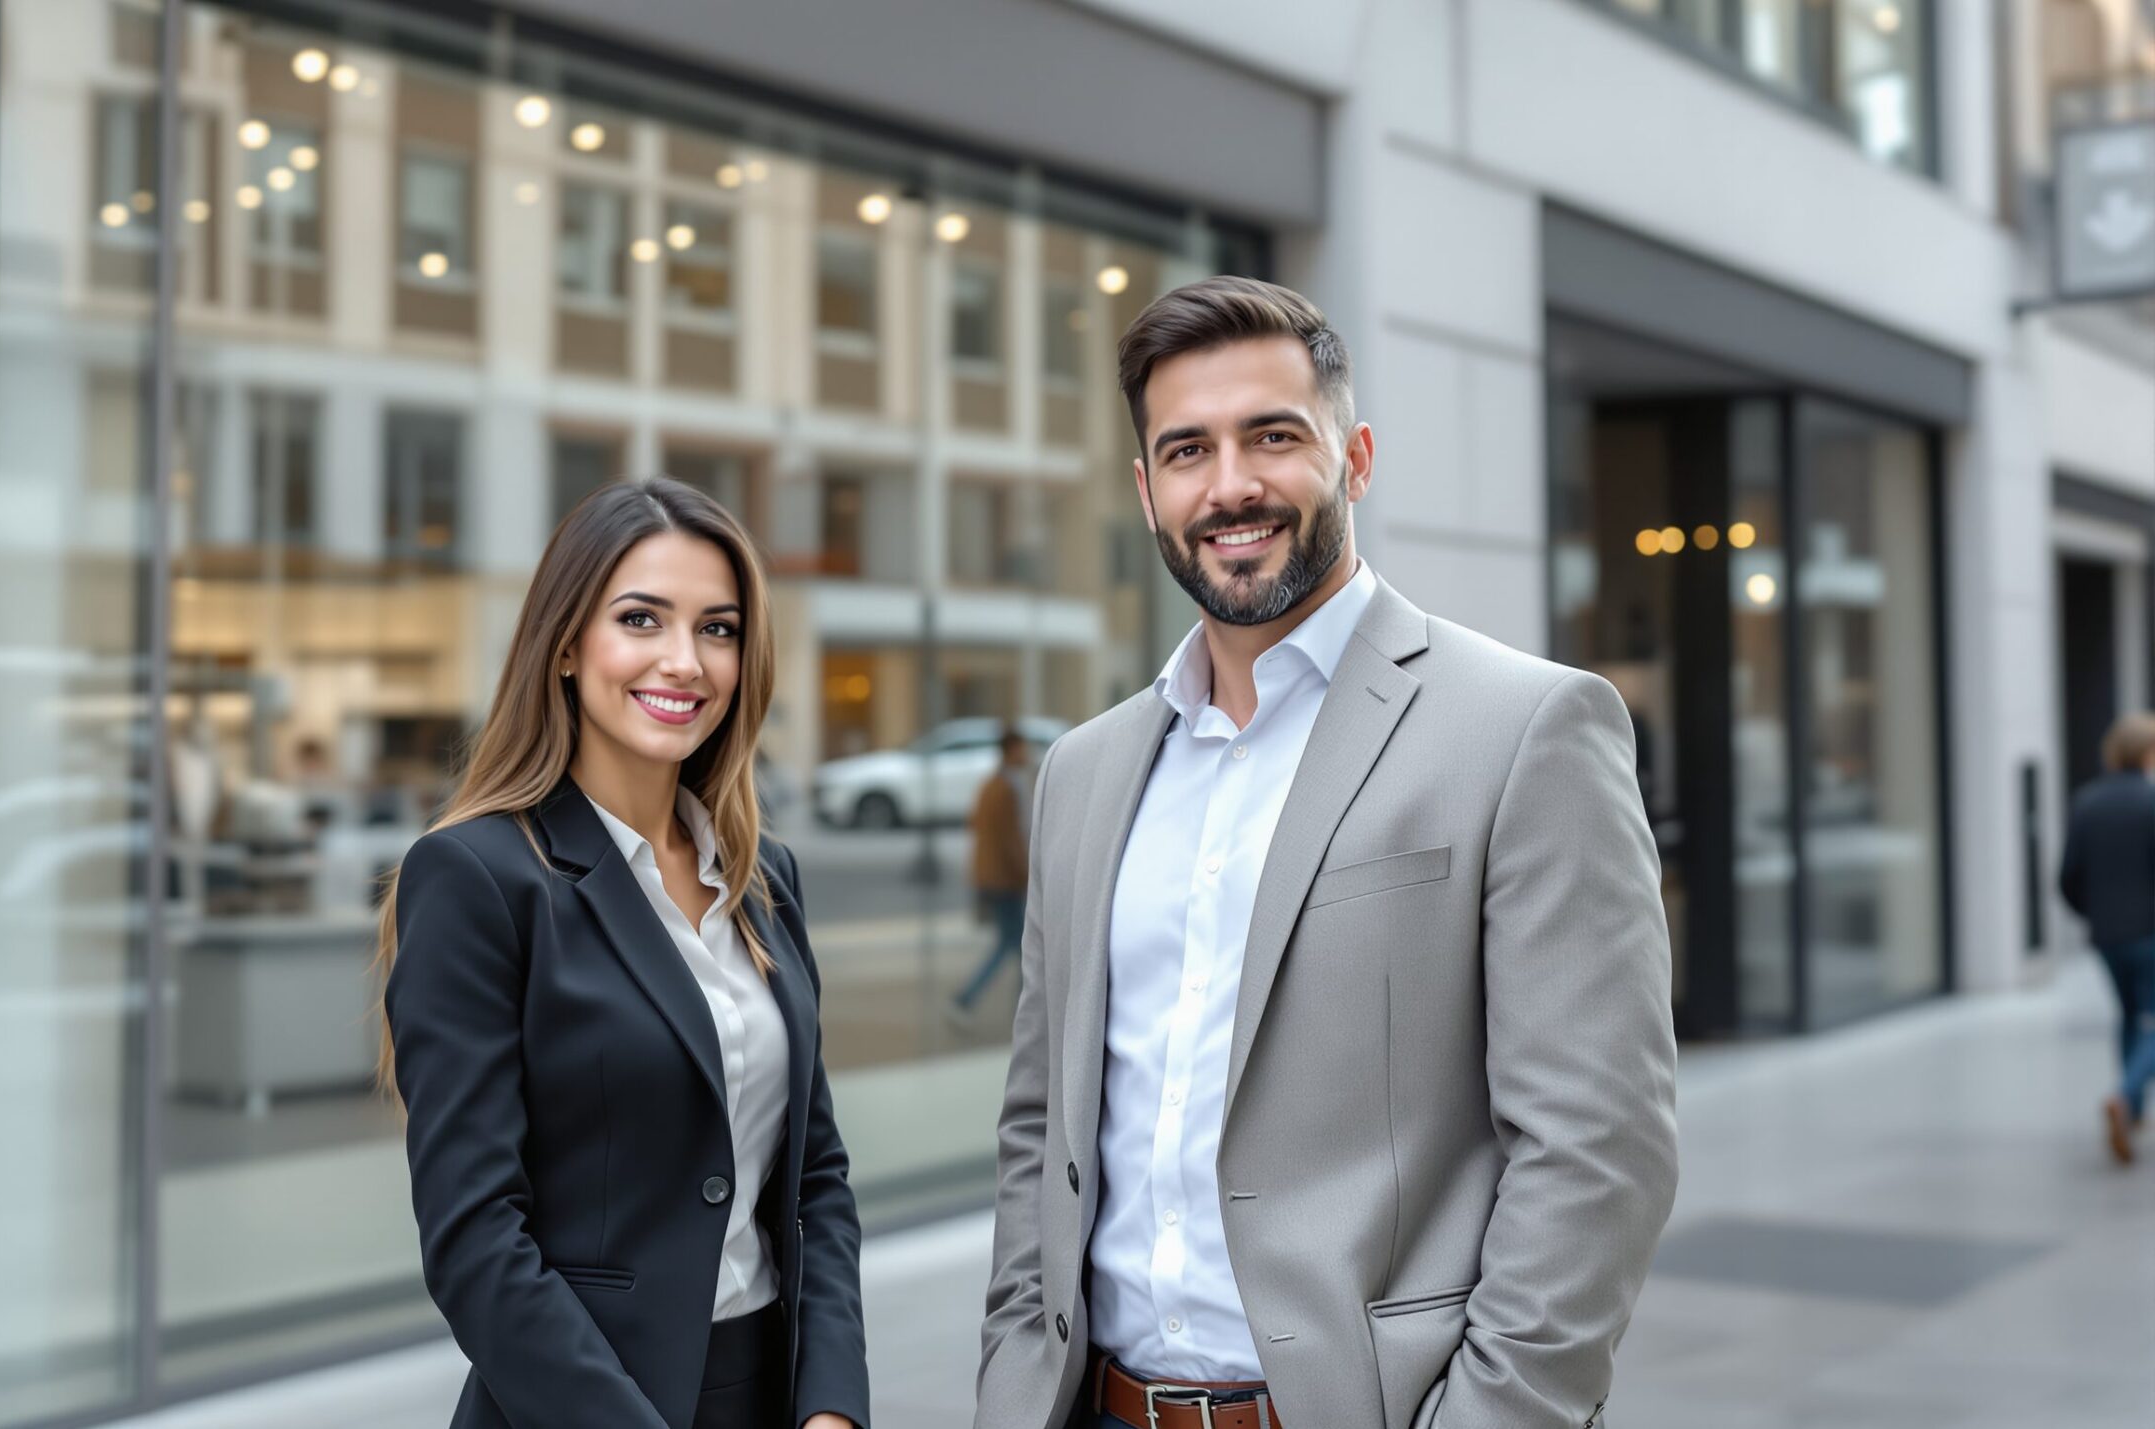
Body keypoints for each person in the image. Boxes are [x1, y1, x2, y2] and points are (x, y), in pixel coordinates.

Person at [976, 276, 1677, 1429]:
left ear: (1353, 456)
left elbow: (1599, 1149)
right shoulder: (1086, 773)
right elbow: (1038, 1128)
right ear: (1148, 493)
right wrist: (1011, 1379)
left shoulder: (1525, 729)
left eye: (1272, 436)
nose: (1232, 484)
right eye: (1187, 450)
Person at [379, 478, 869, 1429]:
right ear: (566, 643)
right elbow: (476, 1239)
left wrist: (832, 1405)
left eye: (717, 629)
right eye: (641, 619)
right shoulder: (476, 878)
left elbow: (815, 1179)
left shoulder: (765, 878)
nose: (684, 662)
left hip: (768, 1395)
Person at [2057, 711, 2155, 1167]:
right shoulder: (2151, 801)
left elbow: (2068, 876)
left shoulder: (2088, 802)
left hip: (2107, 935)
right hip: (2150, 933)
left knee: (2130, 1016)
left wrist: (2094, 914)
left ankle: (2132, 1110)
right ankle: (2125, 1096)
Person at [952, 725, 1035, 1020]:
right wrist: (1028, 873)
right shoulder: (1004, 787)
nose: (1027, 754)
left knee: (1016, 944)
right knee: (1015, 944)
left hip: (997, 877)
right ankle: (967, 1000)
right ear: (1012, 750)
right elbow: (1009, 838)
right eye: (1023, 748)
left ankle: (1021, 1007)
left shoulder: (995, 784)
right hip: (1006, 879)